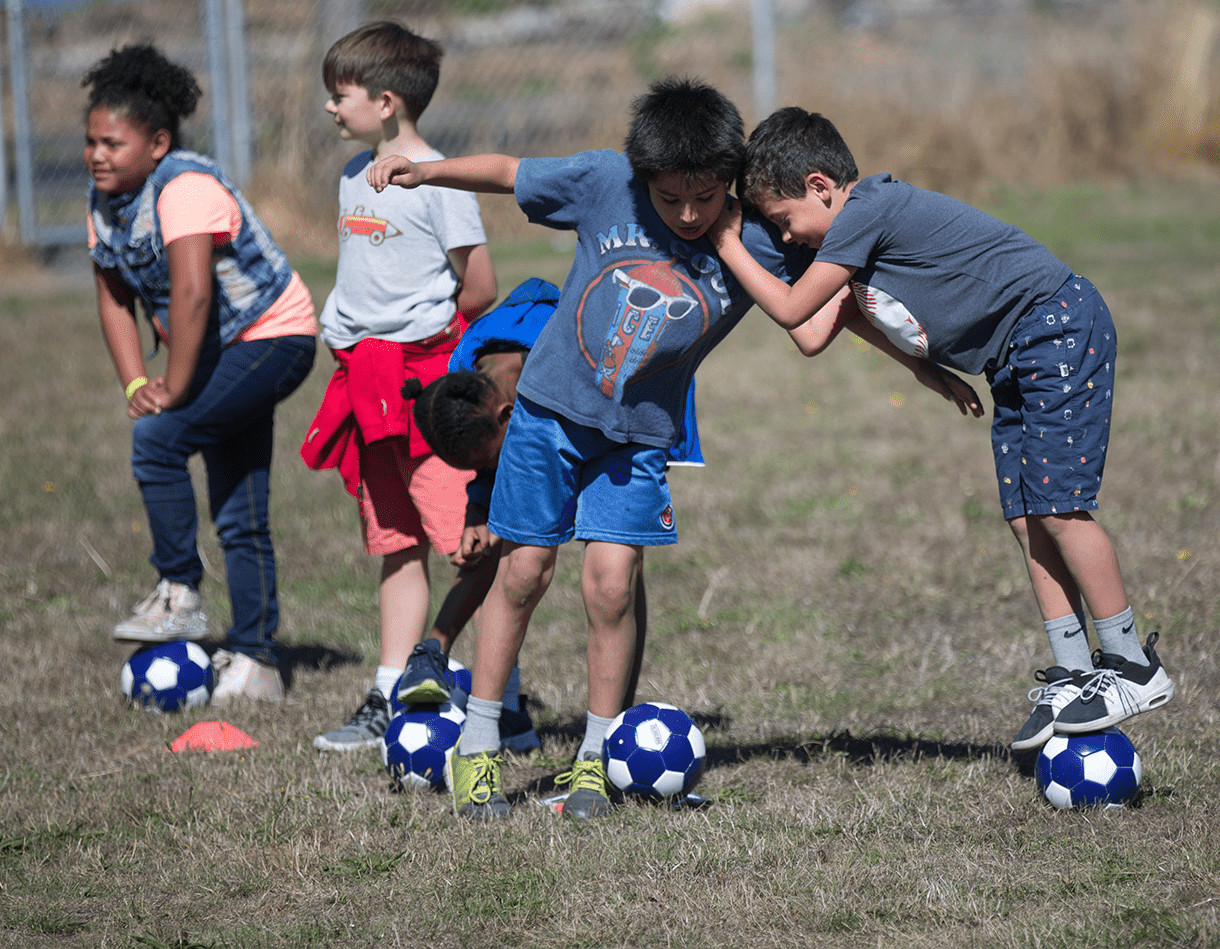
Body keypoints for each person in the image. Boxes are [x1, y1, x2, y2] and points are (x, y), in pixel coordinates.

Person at [364, 78, 955, 822]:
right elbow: (513, 171)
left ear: (729, 180)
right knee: (522, 574)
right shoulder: (607, 182)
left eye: (703, 197)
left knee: (612, 585)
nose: (686, 213)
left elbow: (828, 306)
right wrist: (428, 171)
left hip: (639, 438)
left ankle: (594, 762)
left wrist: (920, 366)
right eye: (670, 197)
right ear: (642, 176)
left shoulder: (756, 238)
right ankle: (478, 745)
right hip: (547, 417)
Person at [709, 107, 1173, 752]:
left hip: (1057, 328)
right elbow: (814, 332)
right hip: (1016, 357)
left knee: (1061, 509)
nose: (783, 240)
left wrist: (728, 241)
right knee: (1025, 515)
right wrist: (924, 367)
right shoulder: (851, 241)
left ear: (820, 186)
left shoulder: (867, 212)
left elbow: (792, 306)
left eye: (784, 222)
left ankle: (1132, 666)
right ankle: (1073, 669)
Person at [85, 43, 318, 705]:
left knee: (159, 440)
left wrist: (174, 391)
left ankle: (179, 590)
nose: (98, 155)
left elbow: (191, 293)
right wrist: (137, 382)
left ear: (158, 142)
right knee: (240, 506)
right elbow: (112, 298)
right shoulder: (104, 203)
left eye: (113, 142)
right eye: (90, 142)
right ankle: (255, 663)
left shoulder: (185, 187)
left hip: (275, 337)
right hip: (219, 351)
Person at [299, 21, 498, 753]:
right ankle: (389, 696)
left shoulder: (442, 179)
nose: (329, 107)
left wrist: (427, 355)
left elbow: (479, 287)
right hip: (364, 385)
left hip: (422, 388)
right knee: (397, 544)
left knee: (468, 546)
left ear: (386, 102)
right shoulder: (352, 176)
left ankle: (488, 698)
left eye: (339, 94)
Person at [408, 277, 710, 735]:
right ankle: (448, 667)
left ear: (510, 417)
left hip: (628, 406)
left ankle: (616, 718)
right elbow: (486, 464)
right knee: (516, 556)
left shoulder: (560, 356)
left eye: (492, 461)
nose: (491, 471)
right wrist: (478, 508)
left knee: (620, 567)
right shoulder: (464, 377)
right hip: (555, 406)